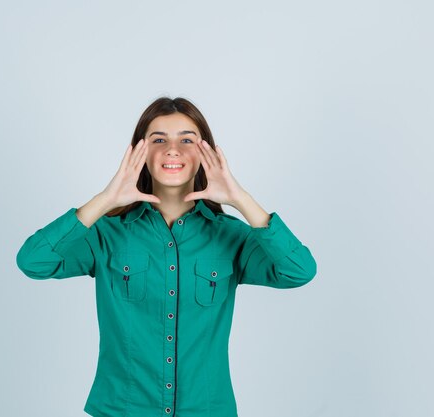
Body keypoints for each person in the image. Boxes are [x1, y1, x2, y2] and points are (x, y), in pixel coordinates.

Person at [16, 96, 318, 417]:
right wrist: (105, 200)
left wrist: (239, 198)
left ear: (206, 152)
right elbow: (33, 261)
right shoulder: (106, 234)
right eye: (158, 139)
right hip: (122, 410)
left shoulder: (231, 236)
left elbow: (299, 270)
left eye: (187, 140)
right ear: (139, 153)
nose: (172, 149)